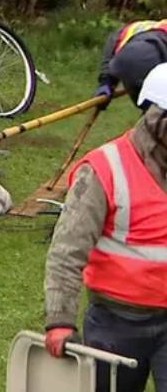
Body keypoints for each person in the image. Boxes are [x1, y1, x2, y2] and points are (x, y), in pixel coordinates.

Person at [44, 63, 167, 391]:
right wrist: (60, 321)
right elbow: (66, 252)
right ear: (158, 120)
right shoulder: (103, 170)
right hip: (116, 324)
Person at [96, 19, 167, 108]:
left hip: (128, 60)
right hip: (145, 62)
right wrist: (106, 81)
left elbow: (113, 44)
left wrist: (106, 81)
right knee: (156, 110)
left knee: (154, 109)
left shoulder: (137, 29)